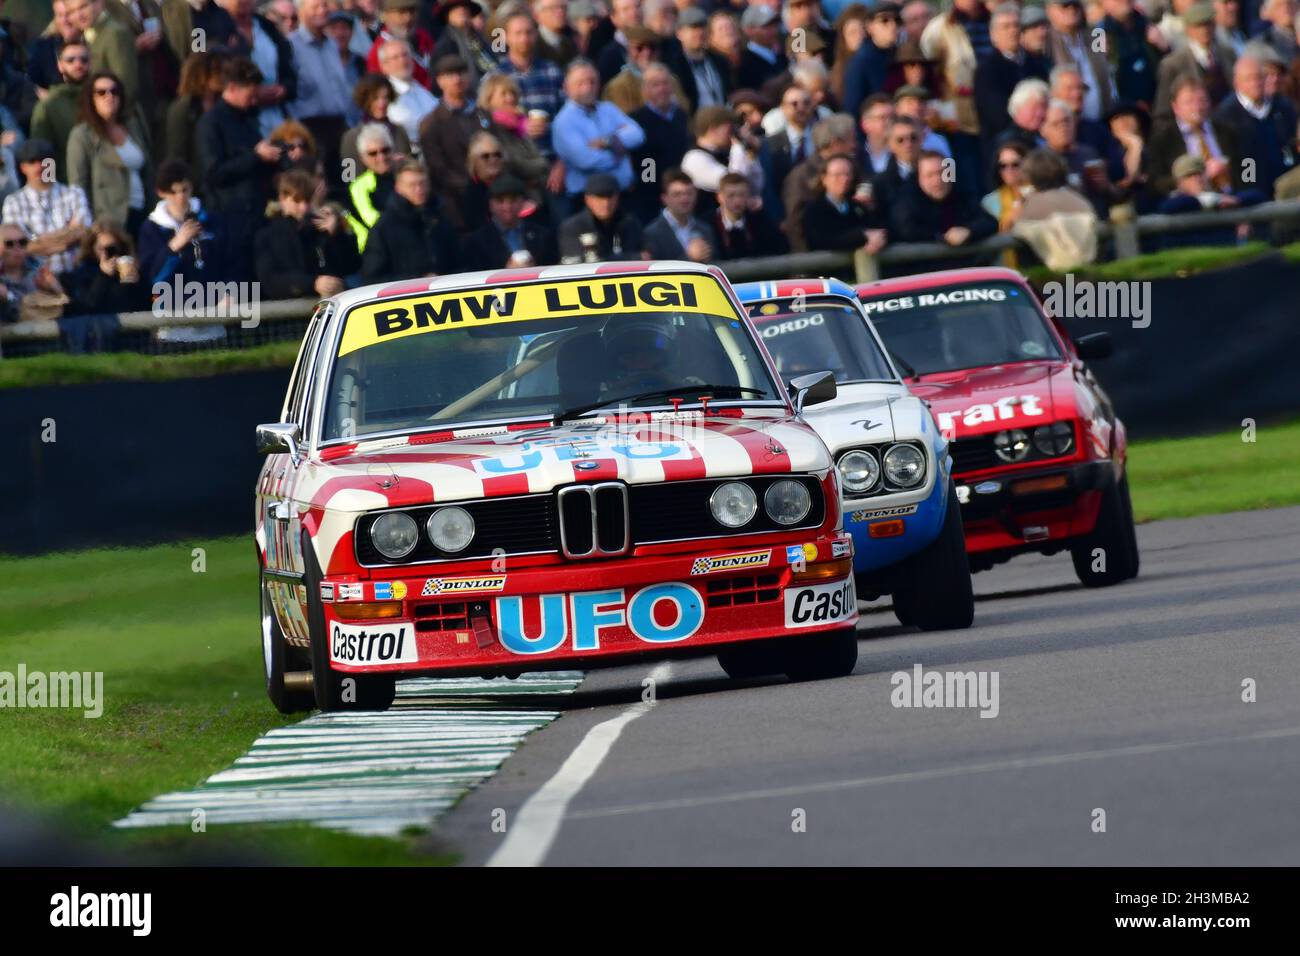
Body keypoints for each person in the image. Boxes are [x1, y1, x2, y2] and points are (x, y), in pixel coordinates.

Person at [195, 56, 282, 269]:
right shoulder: (211, 123)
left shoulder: (248, 118)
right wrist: (255, 156)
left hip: (255, 214)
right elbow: (213, 173)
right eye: (250, 95)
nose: (254, 101)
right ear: (232, 88)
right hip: (228, 219)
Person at [66, 71, 151, 235]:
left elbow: (148, 171)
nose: (109, 96)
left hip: (141, 211)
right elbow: (78, 184)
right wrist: (89, 223)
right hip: (108, 219)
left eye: (114, 91)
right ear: (91, 99)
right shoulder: (82, 135)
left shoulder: (133, 126)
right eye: (101, 92)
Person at [254, 167, 359, 297]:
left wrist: (336, 235)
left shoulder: (320, 228)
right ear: (282, 198)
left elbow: (351, 266)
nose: (303, 207)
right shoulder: (267, 235)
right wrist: (312, 284)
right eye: (297, 201)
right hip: (289, 310)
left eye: (307, 200)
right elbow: (270, 280)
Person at [419, 55, 503, 211]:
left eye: (461, 73)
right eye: (449, 75)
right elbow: (438, 169)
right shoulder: (431, 124)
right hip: (457, 201)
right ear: (439, 81)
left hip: (495, 193)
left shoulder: (483, 114)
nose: (457, 79)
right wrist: (471, 184)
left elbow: (500, 150)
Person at [552, 59, 645, 199]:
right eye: (580, 83)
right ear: (567, 87)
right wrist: (621, 153)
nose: (588, 87)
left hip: (623, 195)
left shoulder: (608, 109)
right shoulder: (564, 121)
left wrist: (608, 141)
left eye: (592, 81)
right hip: (586, 199)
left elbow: (638, 135)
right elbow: (585, 160)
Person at [137, 160, 230, 294]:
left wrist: (229, 292)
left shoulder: (211, 219)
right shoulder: (151, 228)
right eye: (173, 192)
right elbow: (152, 278)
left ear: (191, 187)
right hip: (174, 305)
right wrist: (173, 246)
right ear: (161, 192)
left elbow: (230, 261)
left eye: (184, 190)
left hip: (216, 299)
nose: (180, 197)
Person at [1212, 52, 1298, 196]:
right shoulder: (1225, 116)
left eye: (1259, 77)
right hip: (1250, 190)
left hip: (1286, 186)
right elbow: (1236, 161)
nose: (1255, 83)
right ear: (1236, 82)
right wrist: (1249, 189)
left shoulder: (1283, 107)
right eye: (1249, 79)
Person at [2, 138, 91, 274]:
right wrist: (67, 236)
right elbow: (18, 248)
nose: (40, 167)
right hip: (36, 281)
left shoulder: (74, 193)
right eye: (32, 162)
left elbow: (84, 233)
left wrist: (38, 240)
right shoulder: (13, 202)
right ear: (23, 167)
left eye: (44, 161)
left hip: (77, 274)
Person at [360, 159, 458, 280]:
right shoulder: (384, 228)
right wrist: (417, 280)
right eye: (412, 185)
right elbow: (372, 277)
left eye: (423, 183)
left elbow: (458, 262)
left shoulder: (440, 219)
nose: (419, 190)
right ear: (398, 188)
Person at [1145, 76, 1239, 195]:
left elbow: (1249, 163)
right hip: (1189, 205)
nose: (1197, 107)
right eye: (1189, 102)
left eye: (1202, 100)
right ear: (1176, 107)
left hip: (1232, 201)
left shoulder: (1228, 130)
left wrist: (1239, 177)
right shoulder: (1162, 140)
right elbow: (1155, 181)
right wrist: (1188, 181)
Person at [889, 149, 997, 243]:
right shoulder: (907, 202)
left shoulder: (960, 196)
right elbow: (905, 230)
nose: (938, 180)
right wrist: (941, 237)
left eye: (942, 173)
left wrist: (969, 231)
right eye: (930, 175)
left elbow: (990, 222)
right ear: (919, 178)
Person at [225, 0, 298, 138]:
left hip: (277, 118)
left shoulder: (267, 27)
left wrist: (283, 89)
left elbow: (290, 74)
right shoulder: (215, 27)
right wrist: (252, 94)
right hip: (240, 122)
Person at [627, 64, 690, 223]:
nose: (662, 89)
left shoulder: (681, 116)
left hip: (683, 190)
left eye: (665, 83)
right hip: (652, 196)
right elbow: (646, 163)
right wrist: (656, 188)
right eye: (655, 85)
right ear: (645, 90)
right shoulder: (637, 120)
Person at [461, 174, 557, 268]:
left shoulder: (542, 235)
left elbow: (553, 266)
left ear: (522, 202)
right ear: (490, 205)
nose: (507, 207)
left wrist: (536, 269)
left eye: (513, 200)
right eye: (500, 201)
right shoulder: (477, 242)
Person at [1153, 2, 1232, 117]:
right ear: (1187, 30)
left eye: (1208, 24)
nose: (1204, 30)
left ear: (1214, 25)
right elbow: (1164, 108)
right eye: (1198, 26)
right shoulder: (1173, 64)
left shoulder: (1227, 54)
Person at [681, 105, 764, 214]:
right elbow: (734, 183)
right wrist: (738, 146)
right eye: (730, 129)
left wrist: (751, 154)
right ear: (713, 130)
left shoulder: (724, 154)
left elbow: (755, 187)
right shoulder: (694, 158)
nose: (732, 133)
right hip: (709, 224)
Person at [803, 152, 889, 252]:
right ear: (824, 179)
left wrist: (880, 237)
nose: (844, 179)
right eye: (837, 175)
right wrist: (863, 235)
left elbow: (877, 227)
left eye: (848, 174)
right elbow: (822, 240)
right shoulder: (814, 209)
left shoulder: (857, 207)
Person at [61, 219, 147, 319]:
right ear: (92, 248)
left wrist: (134, 283)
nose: (106, 254)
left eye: (111, 248)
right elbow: (87, 305)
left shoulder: (129, 267)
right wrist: (103, 276)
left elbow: (144, 304)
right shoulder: (82, 274)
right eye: (101, 249)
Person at [1045, 0, 1115, 122]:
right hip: (1068, 122)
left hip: (1102, 118)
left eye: (1076, 5)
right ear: (1050, 10)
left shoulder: (1094, 35)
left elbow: (1108, 74)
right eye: (1065, 6)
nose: (1071, 10)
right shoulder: (1046, 41)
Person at [164, 52, 226, 188]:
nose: (223, 77)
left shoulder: (223, 105)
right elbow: (176, 153)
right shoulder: (183, 109)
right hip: (195, 184)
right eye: (218, 71)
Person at [30, 41, 89, 183]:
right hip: (67, 186)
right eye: (70, 60)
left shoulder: (103, 95)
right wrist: (48, 188)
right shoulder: (49, 105)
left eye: (84, 59)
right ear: (60, 65)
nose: (78, 64)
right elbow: (43, 153)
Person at [66, 0, 137, 111]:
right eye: (71, 11)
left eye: (83, 7)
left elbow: (126, 87)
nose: (78, 15)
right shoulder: (85, 36)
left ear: (99, 3)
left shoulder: (115, 34)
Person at [557, 172, 643, 262]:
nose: (605, 204)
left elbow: (642, 256)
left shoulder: (629, 223)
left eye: (610, 197)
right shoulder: (573, 227)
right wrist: (629, 257)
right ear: (587, 199)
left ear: (617, 198)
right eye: (599, 198)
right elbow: (577, 262)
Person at [665, 6, 731, 114]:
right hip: (695, 125)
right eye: (693, 27)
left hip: (722, 120)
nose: (700, 32)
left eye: (703, 26)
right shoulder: (675, 66)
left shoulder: (719, 60)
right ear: (679, 33)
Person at [642, 168, 717, 262]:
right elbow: (654, 271)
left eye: (689, 193)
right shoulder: (651, 233)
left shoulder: (705, 229)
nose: (685, 199)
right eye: (677, 194)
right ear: (664, 198)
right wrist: (689, 258)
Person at [843, 0, 901, 121]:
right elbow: (853, 109)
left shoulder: (901, 55)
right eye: (884, 20)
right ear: (870, 27)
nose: (893, 25)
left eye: (897, 20)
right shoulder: (861, 62)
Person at [375, 38, 438, 148]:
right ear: (384, 66)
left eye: (405, 55)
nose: (402, 60)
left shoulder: (419, 88)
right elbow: (410, 125)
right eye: (395, 58)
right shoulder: (386, 96)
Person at [340, 73, 412, 169]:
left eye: (385, 97)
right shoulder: (352, 137)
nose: (381, 103)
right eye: (375, 98)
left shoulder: (399, 131)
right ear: (364, 100)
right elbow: (349, 176)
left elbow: (411, 169)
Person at [344, 122, 397, 248]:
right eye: (373, 153)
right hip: (376, 249)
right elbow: (372, 220)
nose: (381, 157)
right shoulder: (358, 187)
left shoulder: (404, 177)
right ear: (363, 158)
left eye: (385, 150)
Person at [711, 171, 787, 259]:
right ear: (719, 197)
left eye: (742, 195)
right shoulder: (710, 224)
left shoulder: (759, 221)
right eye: (731, 196)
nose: (737, 201)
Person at [365, 0, 435, 89]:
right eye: (401, 12)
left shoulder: (423, 37)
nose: (408, 18)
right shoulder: (378, 51)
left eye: (412, 11)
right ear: (385, 15)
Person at [430, 0, 496, 90]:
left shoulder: (480, 41)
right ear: (447, 15)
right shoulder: (444, 46)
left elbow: (492, 66)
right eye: (455, 7)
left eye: (465, 6)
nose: (461, 9)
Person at [739, 5, 788, 92]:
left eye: (775, 25)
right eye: (766, 26)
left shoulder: (782, 54)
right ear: (749, 30)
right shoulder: (745, 62)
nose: (773, 30)